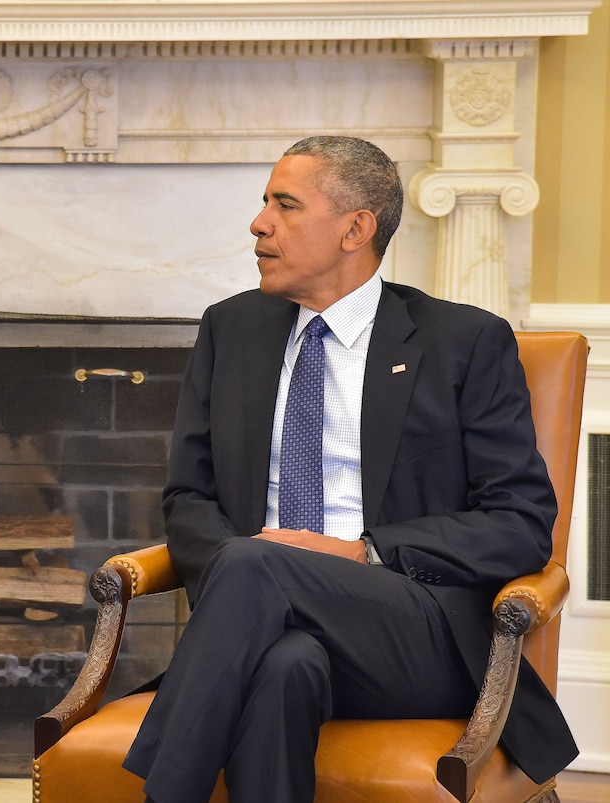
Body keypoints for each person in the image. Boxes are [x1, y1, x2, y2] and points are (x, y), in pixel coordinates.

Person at [122, 136, 577, 802]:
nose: (259, 223)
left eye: (285, 205)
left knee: (255, 561)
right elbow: (189, 497)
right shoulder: (232, 329)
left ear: (356, 228)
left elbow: (520, 524)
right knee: (284, 667)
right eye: (263, 203)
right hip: (263, 621)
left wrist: (357, 552)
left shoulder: (463, 341)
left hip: (415, 628)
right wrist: (254, 570)